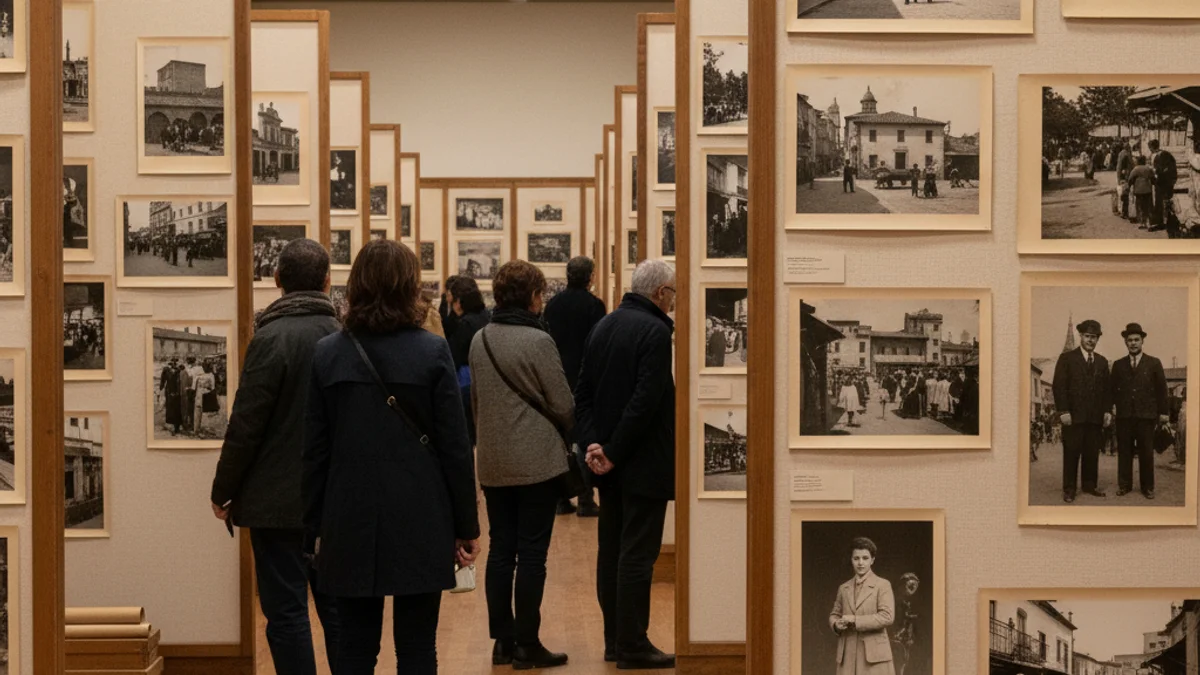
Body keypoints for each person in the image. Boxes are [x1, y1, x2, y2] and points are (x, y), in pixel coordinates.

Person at [303, 240, 480, 674]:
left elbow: (314, 451)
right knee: (417, 647)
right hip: (420, 510)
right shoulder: (432, 351)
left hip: (349, 514)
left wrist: (312, 528)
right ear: (409, 287)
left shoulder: (328, 353)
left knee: (355, 647)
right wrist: (466, 526)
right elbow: (455, 449)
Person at [210, 239, 342, 675]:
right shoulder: (345, 338)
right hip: (333, 500)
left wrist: (223, 489)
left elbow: (246, 424)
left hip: (275, 501)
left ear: (277, 280)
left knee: (286, 613)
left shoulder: (270, 338)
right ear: (327, 281)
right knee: (339, 610)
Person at [470, 261, 574, 670]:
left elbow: (475, 401)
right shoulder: (538, 341)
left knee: (500, 551)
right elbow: (564, 403)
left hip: (494, 460)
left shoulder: (480, 339)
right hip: (536, 462)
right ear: (532, 296)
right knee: (532, 555)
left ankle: (502, 641)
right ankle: (528, 644)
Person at [574, 259, 676, 670]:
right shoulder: (654, 331)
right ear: (659, 294)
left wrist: (594, 445)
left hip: (608, 466)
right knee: (637, 555)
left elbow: (582, 393)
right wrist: (612, 450)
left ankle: (615, 641)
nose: (674, 303)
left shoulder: (605, 325)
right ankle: (632, 644)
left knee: (611, 551)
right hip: (642, 463)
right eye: (674, 294)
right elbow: (645, 402)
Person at [543, 256, 607, 518]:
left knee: (561, 440)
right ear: (590, 276)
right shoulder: (595, 306)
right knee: (585, 439)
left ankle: (560, 498)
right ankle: (585, 498)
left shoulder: (553, 305)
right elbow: (599, 346)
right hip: (585, 380)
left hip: (557, 377)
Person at [1052, 319, 1112, 503]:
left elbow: (1107, 390)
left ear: (1097, 339)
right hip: (1073, 417)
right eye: (1087, 336)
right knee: (1071, 452)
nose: (1090, 340)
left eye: (1094, 337)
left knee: (1091, 453)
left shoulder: (1102, 362)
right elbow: (1059, 386)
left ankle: (1089, 485)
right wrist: (1063, 411)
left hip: (1094, 418)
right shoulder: (1067, 359)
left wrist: (1107, 411)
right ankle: (1069, 489)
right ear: (1081, 337)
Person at [1110, 323, 1168, 500]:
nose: (1133, 343)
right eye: (1129, 340)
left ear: (1142, 341)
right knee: (1125, 452)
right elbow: (1112, 390)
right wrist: (1111, 408)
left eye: (1136, 340)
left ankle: (1147, 487)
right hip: (1124, 416)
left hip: (1146, 416)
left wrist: (1164, 413)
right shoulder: (1118, 365)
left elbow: (1161, 389)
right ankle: (1124, 485)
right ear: (1125, 343)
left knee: (1146, 452)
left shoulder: (1154, 363)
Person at [829, 537, 895, 675]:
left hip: (874, 658)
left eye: (865, 558)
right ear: (851, 560)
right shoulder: (843, 588)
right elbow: (834, 614)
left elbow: (887, 617)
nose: (860, 563)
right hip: (847, 656)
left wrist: (855, 620)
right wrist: (836, 624)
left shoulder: (882, 585)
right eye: (856, 558)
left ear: (872, 560)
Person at [447, 276, 490, 446]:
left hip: (467, 382)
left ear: (459, 301)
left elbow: (454, 355)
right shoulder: (486, 316)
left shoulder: (465, 323)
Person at [1148, 138, 1178, 230]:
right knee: (1166, 201)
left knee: (1160, 202)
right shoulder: (1166, 154)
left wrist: (1153, 173)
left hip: (1162, 183)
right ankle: (1167, 221)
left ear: (1152, 147)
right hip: (1168, 181)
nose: (1150, 150)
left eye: (1150, 148)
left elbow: (1160, 170)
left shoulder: (1159, 156)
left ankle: (1160, 222)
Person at [1128, 155, 1155, 228]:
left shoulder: (1135, 169)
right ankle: (1149, 222)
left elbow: (1130, 179)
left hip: (1138, 190)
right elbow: (1153, 179)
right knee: (1148, 206)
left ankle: (1142, 222)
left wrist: (1130, 185)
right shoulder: (1148, 169)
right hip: (1147, 190)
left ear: (1138, 161)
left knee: (1140, 206)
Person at [1116, 140, 1134, 220]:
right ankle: (1124, 212)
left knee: (1123, 194)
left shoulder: (1122, 153)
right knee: (1125, 194)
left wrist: (1119, 177)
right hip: (1126, 176)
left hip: (1124, 176)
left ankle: (1123, 211)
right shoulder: (1126, 154)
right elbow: (1129, 165)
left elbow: (1119, 167)